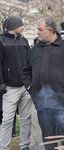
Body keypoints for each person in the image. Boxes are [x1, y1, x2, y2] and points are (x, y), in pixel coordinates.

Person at [23, 17, 64, 150]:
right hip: (42, 103)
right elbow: (26, 70)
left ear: (51, 30)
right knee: (48, 138)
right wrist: (30, 86)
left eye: (40, 30)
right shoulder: (34, 50)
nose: (37, 32)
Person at [0, 16, 33, 150]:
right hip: (9, 88)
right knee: (7, 120)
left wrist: (30, 81)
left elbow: (29, 61)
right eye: (21, 24)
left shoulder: (24, 40)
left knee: (26, 119)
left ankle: (24, 145)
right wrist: (1, 83)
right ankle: (3, 147)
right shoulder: (1, 40)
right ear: (14, 26)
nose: (23, 26)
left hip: (25, 87)